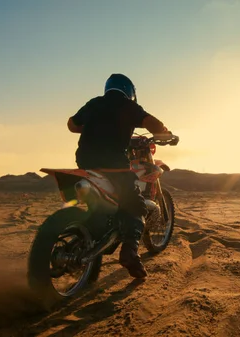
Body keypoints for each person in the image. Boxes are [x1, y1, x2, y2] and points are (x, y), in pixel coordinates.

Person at [67, 73, 172, 278]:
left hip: (85, 163)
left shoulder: (94, 103)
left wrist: (89, 127)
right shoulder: (128, 106)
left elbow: (71, 124)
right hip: (113, 166)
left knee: (109, 199)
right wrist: (165, 133)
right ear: (130, 92)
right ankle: (130, 253)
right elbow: (151, 122)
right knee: (135, 204)